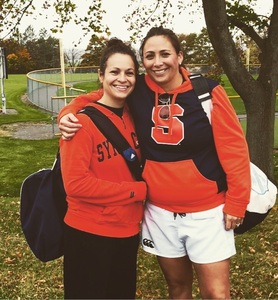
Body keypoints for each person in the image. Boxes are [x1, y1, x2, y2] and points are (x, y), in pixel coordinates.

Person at [58, 26, 251, 299]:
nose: (157, 62)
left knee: (216, 293)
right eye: (149, 56)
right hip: (159, 212)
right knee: (176, 287)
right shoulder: (138, 91)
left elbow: (234, 148)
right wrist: (67, 111)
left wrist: (237, 201)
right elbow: (98, 98)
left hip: (207, 210)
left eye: (165, 54)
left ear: (179, 56)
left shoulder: (206, 92)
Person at [60, 38, 147, 299]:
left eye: (129, 72)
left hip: (128, 231)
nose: (123, 79)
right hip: (89, 233)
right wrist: (136, 192)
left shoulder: (136, 114)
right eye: (115, 72)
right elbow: (75, 185)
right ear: (101, 75)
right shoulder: (80, 123)